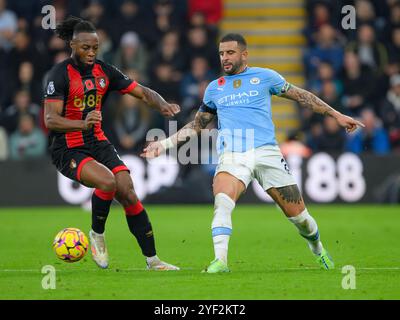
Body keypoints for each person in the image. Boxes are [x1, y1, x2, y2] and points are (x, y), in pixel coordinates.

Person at [141, 33, 364, 273]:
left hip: (267, 152)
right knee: (223, 202)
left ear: (244, 54)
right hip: (233, 155)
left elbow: (303, 97)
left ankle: (318, 249)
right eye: (221, 53)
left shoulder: (266, 77)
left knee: (300, 218)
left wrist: (336, 115)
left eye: (230, 53)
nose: (224, 58)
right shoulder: (214, 89)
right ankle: (220, 261)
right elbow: (196, 126)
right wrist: (163, 145)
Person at [43, 16, 180, 271]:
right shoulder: (59, 75)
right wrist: (83, 123)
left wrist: (161, 104)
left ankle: (153, 260)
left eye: (95, 47)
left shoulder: (105, 71)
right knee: (107, 181)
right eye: (86, 48)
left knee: (127, 190)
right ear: (72, 45)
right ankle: (97, 234)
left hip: (97, 141)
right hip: (68, 147)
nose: (92, 53)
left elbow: (141, 90)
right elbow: (51, 120)